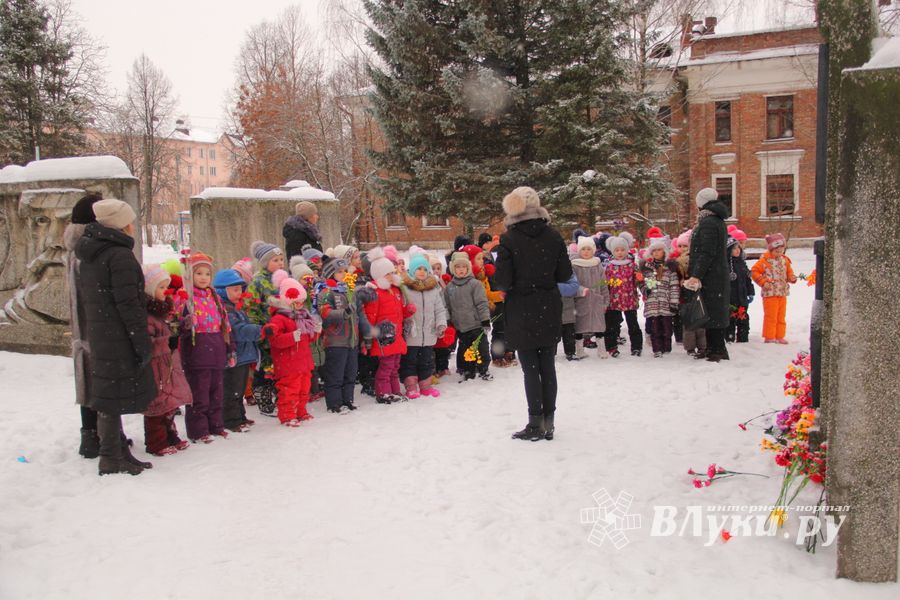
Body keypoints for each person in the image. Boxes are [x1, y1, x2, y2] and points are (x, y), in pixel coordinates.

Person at [74, 198, 156, 475]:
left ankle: (118, 451)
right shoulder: (117, 255)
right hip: (118, 333)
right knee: (111, 397)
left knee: (109, 393)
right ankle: (111, 456)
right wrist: (140, 339)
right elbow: (128, 303)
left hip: (103, 332)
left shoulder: (93, 251)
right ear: (122, 224)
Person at [494, 186, 572, 442]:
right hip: (548, 305)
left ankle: (534, 422)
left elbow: (502, 280)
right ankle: (549, 421)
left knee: (531, 369)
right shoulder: (553, 235)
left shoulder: (509, 238)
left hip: (522, 309)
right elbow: (563, 274)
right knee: (548, 366)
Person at [174, 252, 234, 443]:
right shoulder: (185, 298)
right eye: (198, 273)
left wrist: (230, 348)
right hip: (197, 353)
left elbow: (225, 325)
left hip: (216, 350)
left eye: (206, 274)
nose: (203, 278)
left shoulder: (215, 297)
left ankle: (216, 425)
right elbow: (177, 325)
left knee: (216, 393)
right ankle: (198, 430)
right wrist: (185, 322)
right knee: (199, 395)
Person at [64, 192, 102, 459]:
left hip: (85, 327)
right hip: (94, 325)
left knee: (88, 379)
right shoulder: (88, 248)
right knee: (97, 378)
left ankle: (92, 434)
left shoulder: (77, 245)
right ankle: (94, 435)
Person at [142, 264, 192, 455]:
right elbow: (149, 343)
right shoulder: (148, 316)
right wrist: (166, 342)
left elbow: (170, 331)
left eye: (166, 287)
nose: (166, 291)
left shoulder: (161, 312)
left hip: (167, 365)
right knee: (156, 406)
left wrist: (182, 326)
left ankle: (171, 435)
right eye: (161, 287)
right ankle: (156, 442)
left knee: (169, 403)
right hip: (156, 367)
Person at [318, 256, 376, 413]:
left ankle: (348, 400)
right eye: (339, 272)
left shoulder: (351, 291)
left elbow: (360, 315)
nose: (343, 274)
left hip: (352, 341)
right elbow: (325, 313)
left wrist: (367, 333)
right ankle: (334, 404)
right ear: (330, 274)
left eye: (344, 271)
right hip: (336, 340)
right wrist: (343, 313)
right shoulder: (326, 292)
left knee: (350, 373)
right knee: (335, 374)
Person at [363, 247, 416, 403]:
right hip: (384, 336)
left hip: (396, 335)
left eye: (392, 273)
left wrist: (408, 311)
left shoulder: (395, 291)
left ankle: (395, 391)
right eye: (388, 274)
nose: (392, 276)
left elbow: (399, 313)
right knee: (386, 366)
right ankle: (383, 392)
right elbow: (371, 316)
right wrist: (371, 335)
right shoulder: (376, 292)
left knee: (394, 366)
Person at [684, 187, 731, 362]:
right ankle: (714, 348)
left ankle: (716, 350)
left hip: (712, 276)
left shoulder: (709, 223)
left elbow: (707, 252)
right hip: (714, 274)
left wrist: (696, 275)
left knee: (712, 313)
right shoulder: (715, 220)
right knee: (712, 312)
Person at [214, 268, 261, 432]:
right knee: (232, 389)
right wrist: (259, 330)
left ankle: (240, 416)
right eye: (234, 290)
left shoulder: (236, 308)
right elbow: (238, 331)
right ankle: (231, 420)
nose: (239, 293)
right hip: (234, 355)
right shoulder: (226, 310)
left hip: (243, 355)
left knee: (239, 389)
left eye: (240, 289)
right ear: (222, 291)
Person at [246, 240, 286, 416]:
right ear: (265, 262)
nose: (279, 263)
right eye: (275, 260)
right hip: (265, 332)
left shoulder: (284, 279)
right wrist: (259, 329)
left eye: (281, 259)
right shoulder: (258, 282)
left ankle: (279, 397)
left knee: (279, 366)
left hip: (282, 331)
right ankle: (263, 399)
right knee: (264, 368)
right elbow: (250, 307)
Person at [400, 252, 448, 397]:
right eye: (418, 269)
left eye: (424, 269)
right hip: (411, 334)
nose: (422, 271)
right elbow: (400, 308)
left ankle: (425, 385)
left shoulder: (433, 289)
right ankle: (411, 386)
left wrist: (441, 324)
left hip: (429, 333)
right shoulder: (405, 289)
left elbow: (439, 309)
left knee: (427, 361)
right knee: (410, 362)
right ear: (412, 271)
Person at [444, 251, 492, 382]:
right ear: (453, 269)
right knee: (466, 350)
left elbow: (482, 303)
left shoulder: (474, 284)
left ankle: (484, 369)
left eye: (463, 267)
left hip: (476, 324)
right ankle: (468, 370)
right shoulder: (449, 288)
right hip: (461, 327)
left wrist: (485, 320)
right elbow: (446, 306)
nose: (461, 270)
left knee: (481, 349)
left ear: (468, 268)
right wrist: (449, 320)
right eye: (458, 267)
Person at [751, 233, 797, 344]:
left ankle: (779, 335)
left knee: (781, 316)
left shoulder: (785, 260)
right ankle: (769, 336)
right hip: (770, 293)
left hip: (782, 292)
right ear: (771, 250)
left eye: (781, 251)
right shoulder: (764, 261)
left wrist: (792, 278)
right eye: (777, 251)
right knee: (771, 316)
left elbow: (789, 272)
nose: (779, 253)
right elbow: (754, 272)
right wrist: (763, 282)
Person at [638, 238, 680, 357]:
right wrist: (645, 290)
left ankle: (666, 347)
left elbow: (674, 286)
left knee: (667, 328)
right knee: (655, 329)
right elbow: (642, 283)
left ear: (664, 252)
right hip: (652, 303)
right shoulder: (647, 268)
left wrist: (674, 302)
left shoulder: (670, 268)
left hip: (666, 303)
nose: (656, 253)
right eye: (654, 250)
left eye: (659, 250)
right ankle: (657, 349)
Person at [603, 234, 644, 357]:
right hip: (613, 301)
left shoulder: (632, 265)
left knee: (633, 325)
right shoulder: (609, 267)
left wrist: (640, 281)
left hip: (629, 300)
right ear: (612, 251)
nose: (620, 253)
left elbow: (638, 281)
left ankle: (636, 347)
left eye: (622, 250)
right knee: (612, 326)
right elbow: (605, 283)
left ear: (626, 250)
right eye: (617, 250)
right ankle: (611, 347)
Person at [571, 236, 610, 359]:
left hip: (596, 301)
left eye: (589, 249)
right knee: (579, 327)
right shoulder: (575, 265)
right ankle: (579, 349)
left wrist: (605, 300)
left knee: (599, 326)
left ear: (593, 250)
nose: (586, 252)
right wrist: (579, 292)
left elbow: (603, 284)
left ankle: (601, 350)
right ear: (579, 251)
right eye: (583, 249)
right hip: (581, 301)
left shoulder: (597, 264)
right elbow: (573, 284)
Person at [726, 230, 754, 343]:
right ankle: (729, 337)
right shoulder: (726, 265)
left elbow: (747, 279)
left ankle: (743, 338)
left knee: (744, 319)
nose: (737, 250)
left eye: (738, 248)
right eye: (734, 248)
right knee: (730, 319)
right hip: (730, 298)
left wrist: (750, 292)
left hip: (742, 297)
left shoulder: (742, 263)